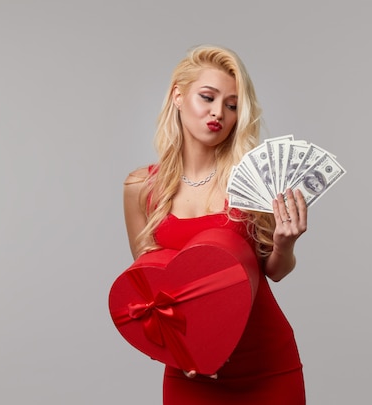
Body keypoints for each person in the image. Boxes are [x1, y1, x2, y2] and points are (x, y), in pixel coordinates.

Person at [122, 44, 308, 404]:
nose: (218, 113)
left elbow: (275, 271)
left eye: (232, 105)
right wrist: (181, 349)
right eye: (207, 98)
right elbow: (150, 289)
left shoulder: (251, 181)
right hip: (191, 371)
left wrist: (286, 244)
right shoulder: (140, 188)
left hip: (267, 364)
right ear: (178, 96)